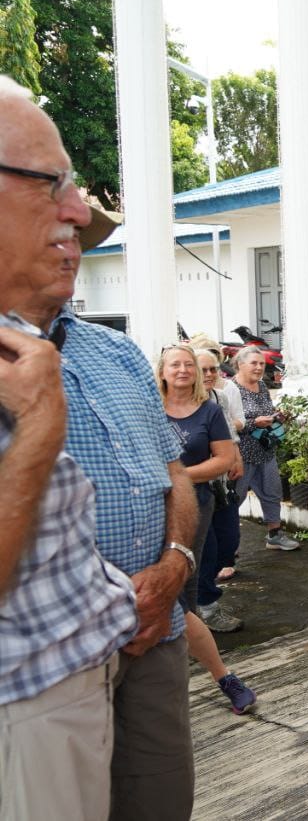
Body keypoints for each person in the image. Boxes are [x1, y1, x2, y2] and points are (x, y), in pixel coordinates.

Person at [0, 77, 200, 820]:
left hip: (157, 633)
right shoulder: (18, 369)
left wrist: (175, 568)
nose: (77, 239)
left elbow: (175, 477)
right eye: (54, 196)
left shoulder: (118, 355)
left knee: (158, 801)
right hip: (47, 676)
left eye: (80, 238)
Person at [0, 317, 137, 819]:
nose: (78, 233)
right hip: (25, 696)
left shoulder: (104, 347)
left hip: (84, 668)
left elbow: (165, 468)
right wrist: (39, 423)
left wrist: (173, 561)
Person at [156, 343, 256, 715]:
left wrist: (173, 475)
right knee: (170, 597)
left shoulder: (210, 410)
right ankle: (218, 679)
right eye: (175, 365)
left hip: (192, 506)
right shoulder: (148, 408)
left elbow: (224, 460)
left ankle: (223, 677)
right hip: (149, 508)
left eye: (188, 365)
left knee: (182, 593)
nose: (182, 370)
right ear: (162, 371)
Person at [233, 346, 299, 551]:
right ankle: (228, 547)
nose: (259, 367)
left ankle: (275, 534)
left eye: (261, 363)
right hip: (240, 453)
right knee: (234, 498)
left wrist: (275, 416)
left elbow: (265, 411)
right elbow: (228, 421)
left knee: (272, 492)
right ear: (239, 364)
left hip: (264, 449)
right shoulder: (230, 389)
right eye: (254, 363)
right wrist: (253, 423)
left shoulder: (261, 386)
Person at [196, 347, 245, 584]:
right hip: (196, 483)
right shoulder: (176, 403)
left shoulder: (219, 397)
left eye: (213, 369)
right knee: (206, 544)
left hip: (222, 482)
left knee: (228, 540)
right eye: (202, 369)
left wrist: (237, 456)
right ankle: (206, 598)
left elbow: (229, 431)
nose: (209, 374)